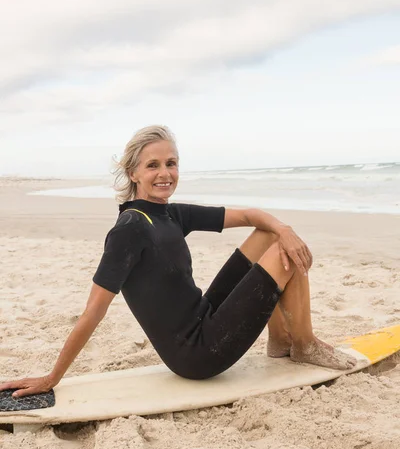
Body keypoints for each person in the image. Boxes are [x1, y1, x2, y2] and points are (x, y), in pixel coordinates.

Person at [0, 125, 356, 399]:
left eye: (171, 163)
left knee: (271, 236)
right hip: (197, 354)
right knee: (284, 254)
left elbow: (250, 215)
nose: (164, 173)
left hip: (203, 318)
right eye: (152, 165)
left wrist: (284, 227)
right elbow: (93, 312)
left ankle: (280, 341)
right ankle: (304, 343)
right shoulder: (129, 229)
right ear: (133, 173)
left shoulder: (171, 214)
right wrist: (52, 377)